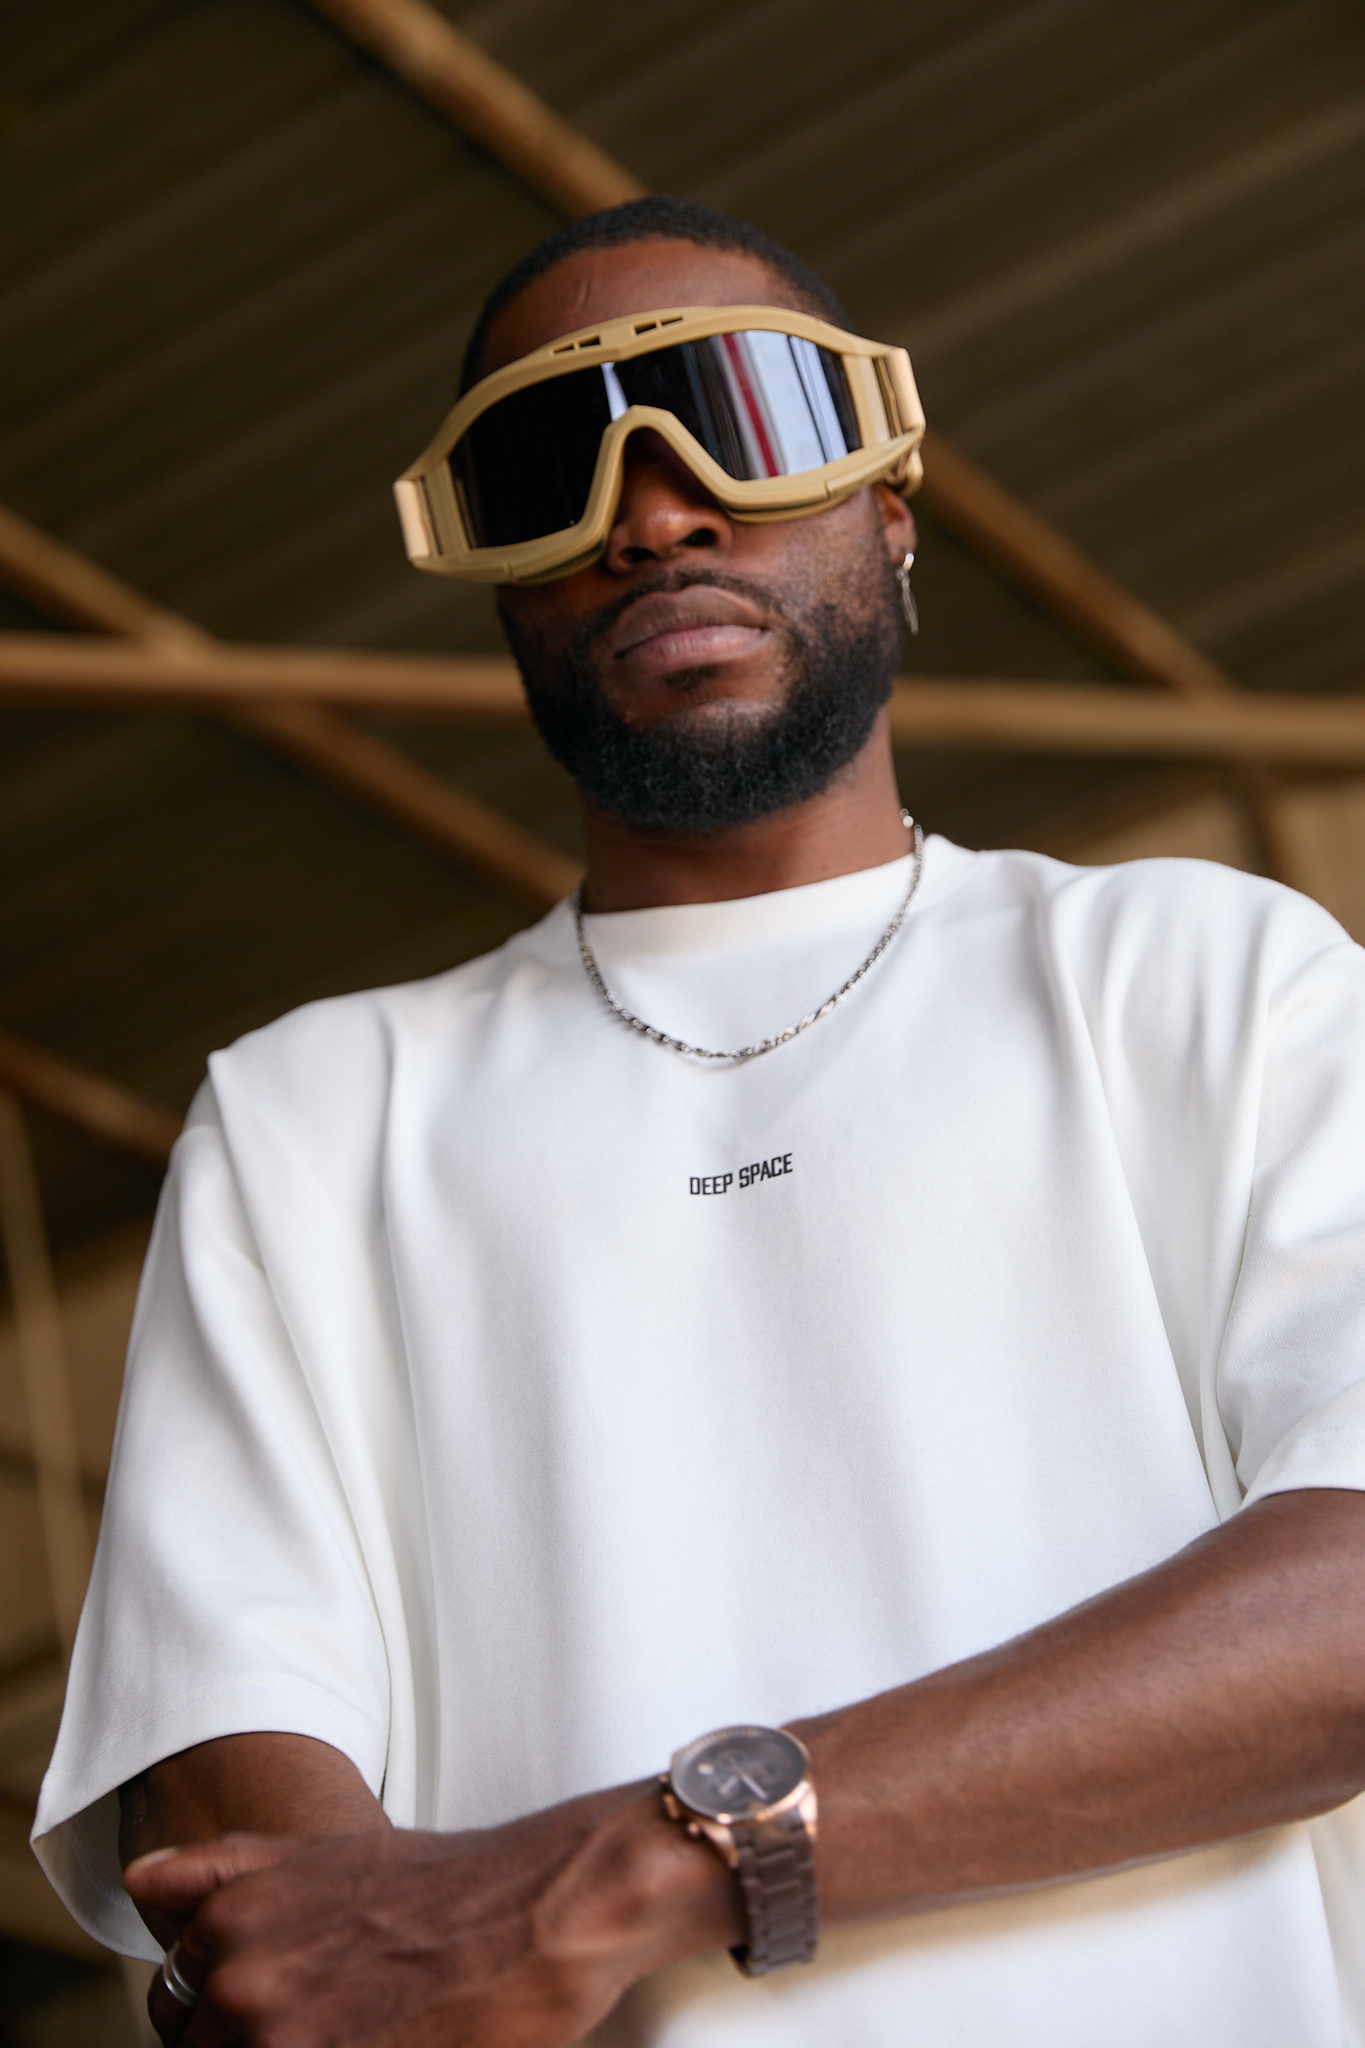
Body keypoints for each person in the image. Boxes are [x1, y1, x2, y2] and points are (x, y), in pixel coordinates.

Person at [33, 197, 1365, 2047]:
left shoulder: (1207, 973)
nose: (656, 513)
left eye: (744, 418)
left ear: (890, 501)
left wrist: (622, 1880)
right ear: (502, 584)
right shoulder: (305, 1120)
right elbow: (250, 1820)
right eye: (547, 470)